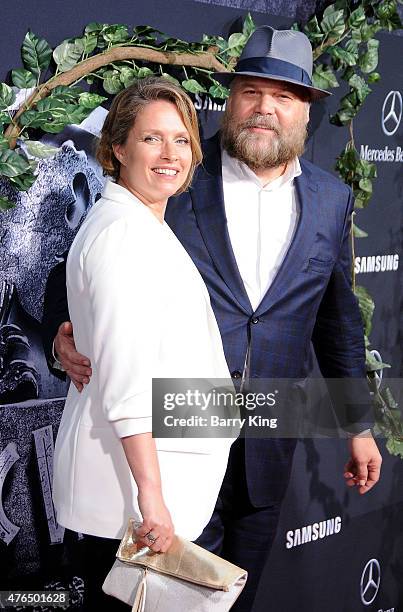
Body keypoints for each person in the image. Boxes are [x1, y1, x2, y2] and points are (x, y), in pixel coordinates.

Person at [43, 27, 382, 612]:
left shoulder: (329, 198)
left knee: (228, 599)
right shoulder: (173, 172)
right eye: (251, 91)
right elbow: (80, 270)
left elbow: (337, 320)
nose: (264, 108)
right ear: (230, 99)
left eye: (284, 96)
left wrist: (357, 425)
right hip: (167, 441)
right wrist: (62, 334)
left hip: (267, 433)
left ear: (306, 112)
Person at [50, 77, 236, 610]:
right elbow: (128, 383)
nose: (170, 154)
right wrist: (151, 500)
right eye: (152, 139)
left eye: (181, 140)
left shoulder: (138, 221)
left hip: (156, 492)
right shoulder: (123, 235)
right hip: (132, 509)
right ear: (118, 149)